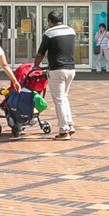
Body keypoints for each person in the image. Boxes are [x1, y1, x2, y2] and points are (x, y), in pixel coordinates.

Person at [35, 11, 78, 139]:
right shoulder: (71, 31)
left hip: (57, 70)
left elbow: (40, 53)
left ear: (49, 21)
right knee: (64, 97)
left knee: (59, 100)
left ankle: (64, 130)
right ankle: (69, 124)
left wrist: (35, 65)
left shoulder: (49, 33)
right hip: (71, 69)